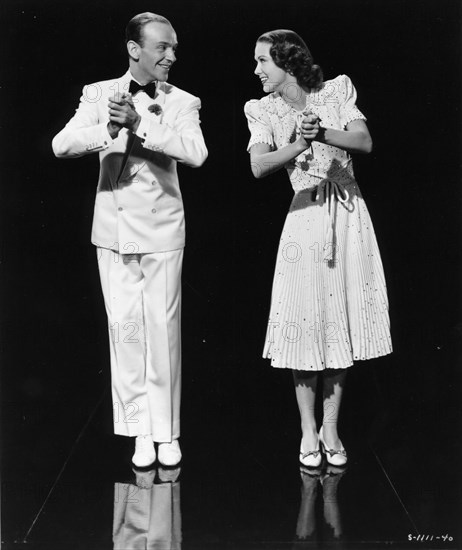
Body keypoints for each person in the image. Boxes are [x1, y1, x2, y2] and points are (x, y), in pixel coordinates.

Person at [52, 12, 208, 468]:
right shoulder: (99, 94)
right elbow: (62, 145)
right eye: (163, 47)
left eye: (174, 47)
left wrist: (142, 123)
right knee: (126, 334)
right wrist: (111, 129)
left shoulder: (183, 101)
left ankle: (167, 433)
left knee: (163, 335)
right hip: (114, 234)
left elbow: (196, 153)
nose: (171, 56)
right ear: (134, 49)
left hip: (161, 233)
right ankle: (140, 431)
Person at [244, 30, 392, 468]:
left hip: (348, 217)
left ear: (288, 63)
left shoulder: (336, 90)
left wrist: (323, 130)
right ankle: (308, 427)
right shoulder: (261, 109)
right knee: (306, 322)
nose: (256, 70)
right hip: (306, 221)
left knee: (340, 319)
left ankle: (331, 425)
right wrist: (299, 144)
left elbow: (363, 141)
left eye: (263, 61)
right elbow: (257, 166)